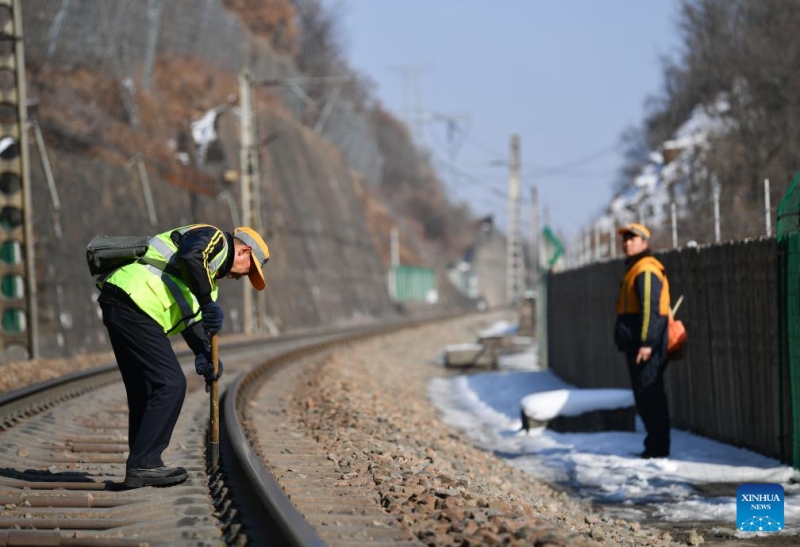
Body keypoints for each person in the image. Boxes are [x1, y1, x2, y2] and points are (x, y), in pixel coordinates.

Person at [96, 224, 270, 487]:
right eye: (250, 269)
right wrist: (207, 303)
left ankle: (141, 465)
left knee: (145, 389)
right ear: (245, 251)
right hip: (134, 303)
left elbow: (192, 323)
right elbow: (191, 255)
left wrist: (205, 354)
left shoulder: (209, 282)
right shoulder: (215, 239)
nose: (244, 276)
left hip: (124, 303)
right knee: (171, 383)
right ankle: (145, 464)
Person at [614, 223, 671, 459]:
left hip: (646, 346)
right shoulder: (636, 268)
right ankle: (654, 446)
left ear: (645, 243)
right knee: (645, 394)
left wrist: (646, 342)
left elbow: (651, 308)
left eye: (633, 239)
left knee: (650, 394)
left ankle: (657, 448)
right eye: (625, 239)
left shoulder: (646, 270)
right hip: (640, 346)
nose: (628, 243)